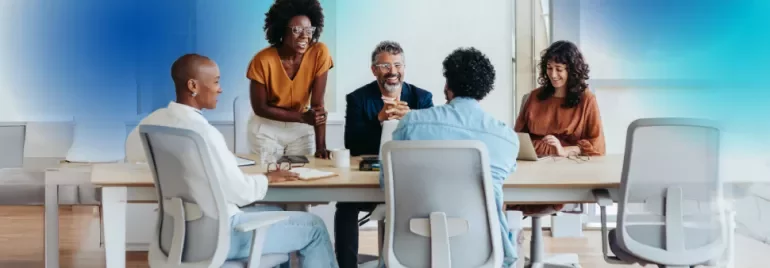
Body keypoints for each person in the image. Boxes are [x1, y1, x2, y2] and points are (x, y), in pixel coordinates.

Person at [125, 54, 339, 268]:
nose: (220, 89)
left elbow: (134, 156)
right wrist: (268, 178)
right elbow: (239, 192)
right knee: (314, 228)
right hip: (218, 238)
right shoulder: (203, 133)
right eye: (216, 81)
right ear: (193, 85)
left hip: (175, 236)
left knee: (278, 214)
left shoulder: (152, 122)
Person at [382, 47, 520, 267]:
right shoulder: (506, 138)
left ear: (448, 86)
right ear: (484, 90)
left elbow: (385, 184)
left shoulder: (412, 123)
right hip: (481, 255)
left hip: (411, 251)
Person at [336, 41, 434, 267]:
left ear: (404, 68)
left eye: (398, 65)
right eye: (385, 66)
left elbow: (431, 142)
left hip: (411, 179)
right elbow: (353, 145)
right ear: (374, 70)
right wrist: (379, 119)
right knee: (345, 205)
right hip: (370, 177)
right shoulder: (357, 99)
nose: (393, 72)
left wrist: (412, 120)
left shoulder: (422, 98)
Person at [509, 40, 605, 215]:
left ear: (572, 70)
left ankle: (510, 228)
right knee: (502, 194)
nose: (553, 74)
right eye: (549, 68)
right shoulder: (534, 97)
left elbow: (597, 147)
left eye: (559, 69)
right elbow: (517, 138)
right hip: (532, 167)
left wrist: (564, 150)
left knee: (510, 204)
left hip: (566, 170)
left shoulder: (586, 100)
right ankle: (510, 232)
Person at [246, 0, 333, 159]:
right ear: (281, 30)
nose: (304, 36)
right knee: (272, 177)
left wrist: (321, 147)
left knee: (303, 176)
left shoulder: (319, 52)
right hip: (267, 127)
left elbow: (317, 106)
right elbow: (260, 108)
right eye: (297, 30)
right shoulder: (262, 60)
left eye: (309, 30)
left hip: (300, 129)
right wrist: (301, 117)